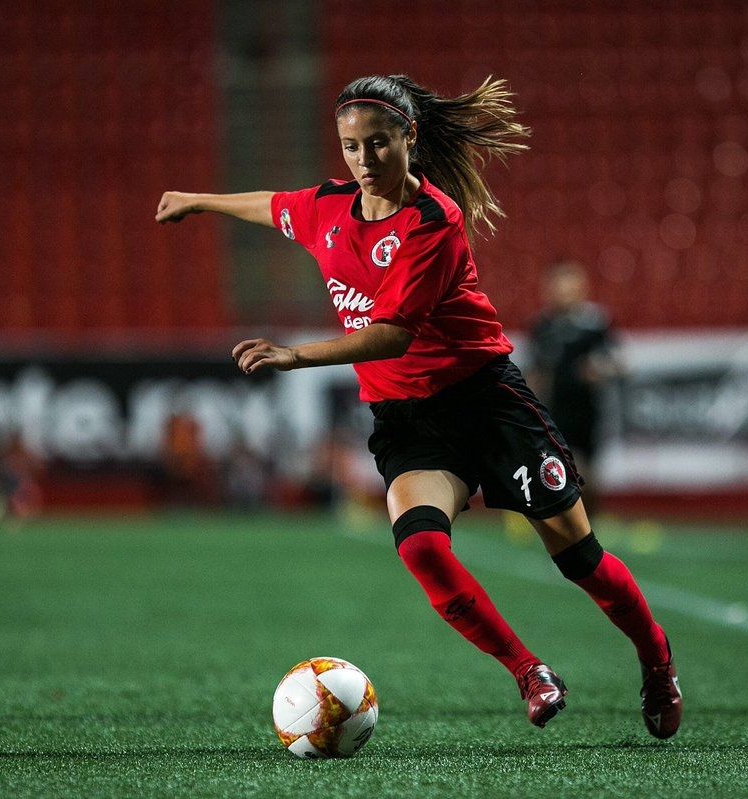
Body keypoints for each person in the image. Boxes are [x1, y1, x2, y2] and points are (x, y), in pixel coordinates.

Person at [155, 74, 682, 739]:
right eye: (351, 147)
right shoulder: (326, 207)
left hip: (487, 402)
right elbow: (274, 204)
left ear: (409, 137)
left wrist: (294, 355)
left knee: (579, 557)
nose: (365, 161)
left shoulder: (434, 221)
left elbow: (392, 334)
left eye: (378, 144)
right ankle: (528, 671)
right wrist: (197, 201)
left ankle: (656, 659)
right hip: (409, 419)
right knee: (422, 546)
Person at [528, 261, 615, 497]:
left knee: (588, 473)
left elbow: (616, 362)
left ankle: (589, 522)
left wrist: (596, 370)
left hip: (587, 409)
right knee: (558, 470)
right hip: (554, 409)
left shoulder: (595, 323)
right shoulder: (542, 325)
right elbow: (536, 369)